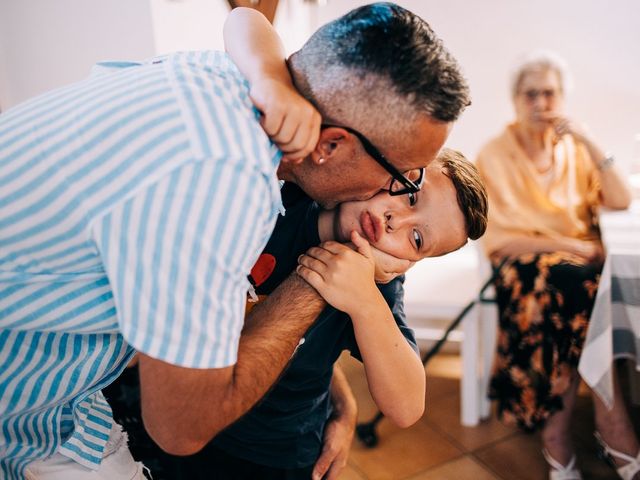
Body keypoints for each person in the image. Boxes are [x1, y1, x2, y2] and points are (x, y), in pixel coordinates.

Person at [0, 3, 471, 479]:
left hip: (69, 399)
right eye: (406, 180)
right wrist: (324, 278)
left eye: (417, 235)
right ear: (331, 146)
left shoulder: (220, 77)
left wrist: (339, 383)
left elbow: (247, 22)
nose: (392, 204)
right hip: (31, 404)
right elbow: (181, 426)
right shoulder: (228, 185)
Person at [104, 148, 488, 480]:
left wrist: (365, 302)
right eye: (410, 196)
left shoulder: (377, 286)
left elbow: (406, 407)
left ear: (409, 263)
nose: (396, 221)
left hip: (273, 452)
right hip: (175, 410)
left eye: (417, 239)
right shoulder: (286, 197)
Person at [475, 51, 635, 479]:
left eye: (549, 94)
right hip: (521, 267)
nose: (541, 104)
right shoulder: (494, 154)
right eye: (531, 95)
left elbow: (621, 199)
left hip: (575, 274)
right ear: (515, 100)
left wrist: (588, 140)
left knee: (581, 285)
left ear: (562, 99)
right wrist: (570, 245)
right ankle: (611, 419)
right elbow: (496, 242)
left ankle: (558, 432)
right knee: (580, 282)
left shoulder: (574, 151)